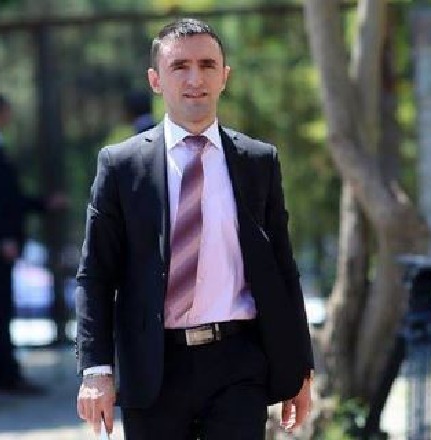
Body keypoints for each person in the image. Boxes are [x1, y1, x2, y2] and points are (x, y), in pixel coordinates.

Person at [75, 18, 314, 439]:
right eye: (179, 66)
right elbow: (96, 274)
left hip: (239, 363)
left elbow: (282, 269)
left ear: (225, 77)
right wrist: (96, 369)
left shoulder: (258, 162)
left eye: (207, 65)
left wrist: (299, 369)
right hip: (154, 366)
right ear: (156, 80)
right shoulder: (122, 167)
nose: (195, 79)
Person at [0, 91, 66, 395]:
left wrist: (42, 204)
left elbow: (7, 197)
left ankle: (3, 372)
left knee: (0, 305)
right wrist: (2, 237)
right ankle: (3, 374)